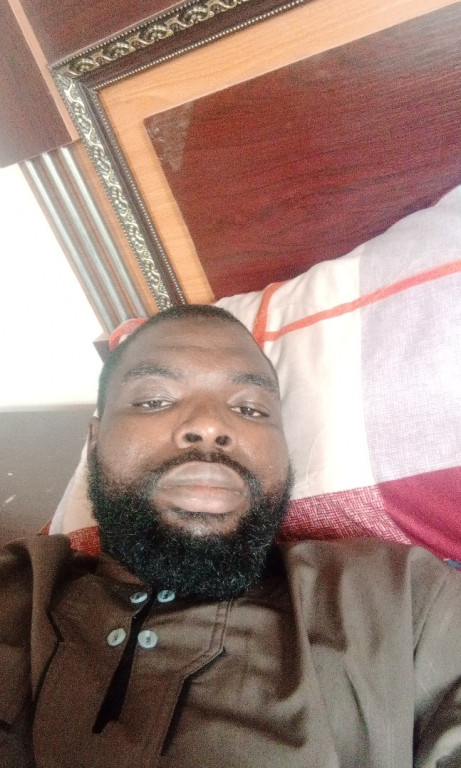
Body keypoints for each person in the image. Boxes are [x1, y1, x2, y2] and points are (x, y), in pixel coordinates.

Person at [1, 304, 461, 768]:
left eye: (249, 409)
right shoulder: (16, 588)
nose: (209, 425)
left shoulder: (398, 599)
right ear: (94, 441)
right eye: (154, 401)